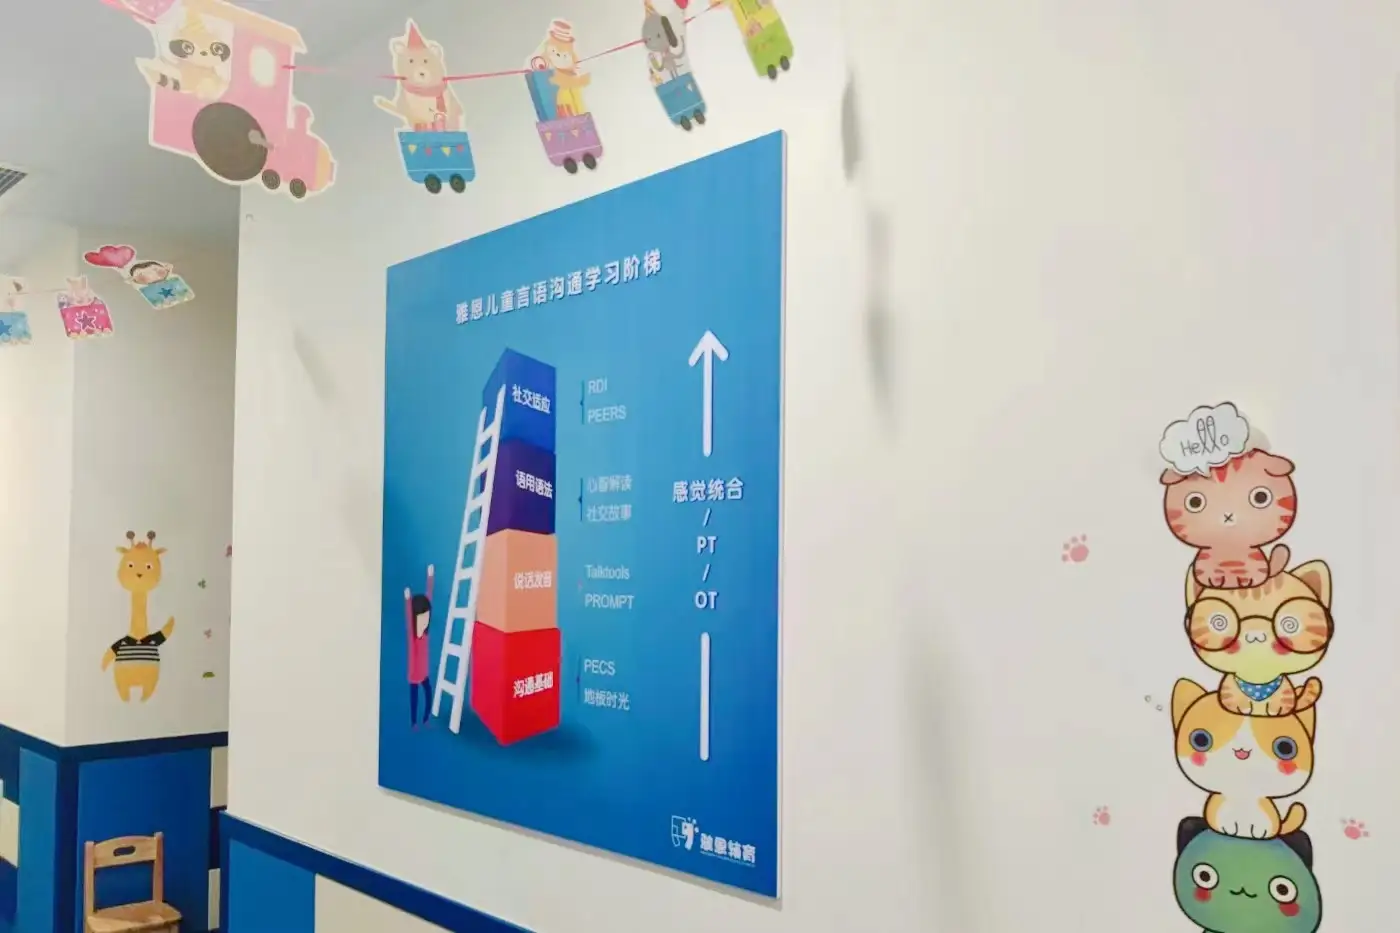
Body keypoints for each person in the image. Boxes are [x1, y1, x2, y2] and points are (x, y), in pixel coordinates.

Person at [404, 565, 433, 727]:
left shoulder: (425, 635)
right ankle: (414, 721)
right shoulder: (413, 637)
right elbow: (409, 616)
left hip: (424, 674)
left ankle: (426, 717)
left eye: (427, 618)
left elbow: (429, 597)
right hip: (414, 676)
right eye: (421, 619)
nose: (425, 622)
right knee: (414, 700)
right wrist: (408, 600)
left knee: (428, 694)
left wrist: (430, 578)